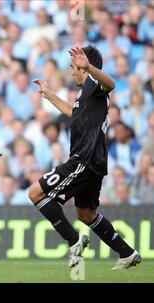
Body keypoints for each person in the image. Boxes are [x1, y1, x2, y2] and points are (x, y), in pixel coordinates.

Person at [30, 45, 140, 270]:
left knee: (36, 193)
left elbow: (111, 84)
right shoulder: (87, 93)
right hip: (94, 162)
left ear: (84, 66)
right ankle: (127, 253)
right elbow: (74, 114)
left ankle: (74, 241)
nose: (72, 72)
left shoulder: (95, 85)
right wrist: (49, 95)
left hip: (84, 159)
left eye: (74, 67)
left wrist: (89, 67)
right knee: (86, 213)